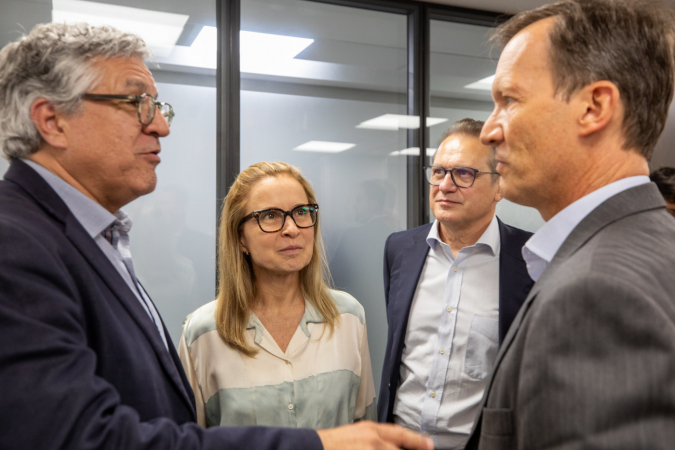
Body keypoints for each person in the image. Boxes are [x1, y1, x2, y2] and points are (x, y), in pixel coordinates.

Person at [0, 22, 434, 450]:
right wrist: (318, 445)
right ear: (52, 120)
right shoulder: (15, 243)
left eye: (302, 213)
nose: (160, 127)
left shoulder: (91, 237)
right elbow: (73, 435)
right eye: (137, 103)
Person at [465, 1, 675, 448]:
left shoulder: (597, 293)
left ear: (595, 107)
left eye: (509, 100)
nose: (489, 131)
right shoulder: (651, 246)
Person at [178, 161, 376, 428]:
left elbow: (364, 428)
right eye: (270, 215)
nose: (292, 228)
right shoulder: (204, 332)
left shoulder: (348, 317)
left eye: (302, 212)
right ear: (240, 238)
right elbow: (188, 441)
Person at [378, 118, 534, 449]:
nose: (445, 185)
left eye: (464, 174)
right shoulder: (400, 250)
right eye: (438, 172)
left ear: (499, 186)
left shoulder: (532, 263)